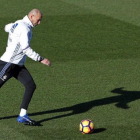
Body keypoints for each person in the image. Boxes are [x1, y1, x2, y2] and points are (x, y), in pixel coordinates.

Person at [0, 9, 51, 125]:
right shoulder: (25, 29)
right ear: (32, 16)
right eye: (38, 20)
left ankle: (22, 115)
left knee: (31, 85)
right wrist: (41, 59)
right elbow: (26, 49)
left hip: (18, 65)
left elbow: (6, 27)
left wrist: (13, 29)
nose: (39, 23)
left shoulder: (19, 23)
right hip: (8, 63)